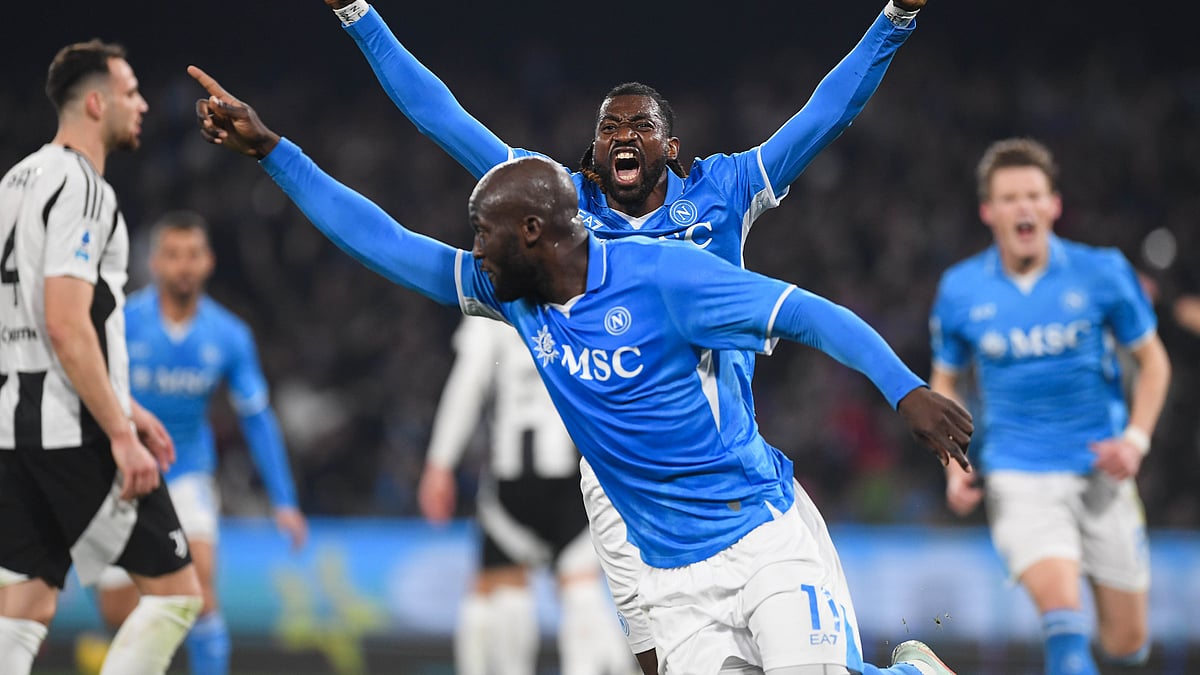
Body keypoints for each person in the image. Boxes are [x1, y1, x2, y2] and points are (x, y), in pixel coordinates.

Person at [189, 65, 971, 675]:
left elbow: (806, 309)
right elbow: (385, 240)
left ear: (531, 231)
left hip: (759, 532)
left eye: (482, 233)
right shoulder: (517, 297)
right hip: (673, 574)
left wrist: (904, 388)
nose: (472, 249)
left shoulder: (666, 276)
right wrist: (272, 152)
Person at [929, 138, 1172, 674]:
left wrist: (1136, 440)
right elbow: (945, 380)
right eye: (1010, 198)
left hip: (1101, 472)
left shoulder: (1103, 273)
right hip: (1019, 474)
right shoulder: (961, 290)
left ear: (1053, 205)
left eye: (1034, 195)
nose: (1024, 207)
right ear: (988, 212)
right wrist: (953, 461)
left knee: (1128, 645)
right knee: (1064, 624)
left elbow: (1154, 363)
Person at [0, 40, 202, 675]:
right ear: (95, 102)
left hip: (13, 425)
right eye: (131, 91)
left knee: (24, 603)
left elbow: (30, 323)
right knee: (176, 597)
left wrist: (124, 402)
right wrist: (118, 430)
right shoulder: (82, 185)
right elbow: (64, 323)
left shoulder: (14, 182)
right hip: (70, 431)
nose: (142, 104)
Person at [77, 210, 309, 675]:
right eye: (173, 255)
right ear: (155, 263)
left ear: (209, 262)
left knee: (201, 596)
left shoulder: (229, 336)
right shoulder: (122, 322)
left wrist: (284, 500)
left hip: (187, 472)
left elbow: (257, 419)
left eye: (193, 255)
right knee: (119, 614)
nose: (183, 265)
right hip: (117, 473)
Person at [419, 315, 635, 675]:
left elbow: (467, 382)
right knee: (583, 597)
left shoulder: (494, 303)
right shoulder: (586, 298)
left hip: (513, 487)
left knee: (497, 604)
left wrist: (439, 463)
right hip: (578, 484)